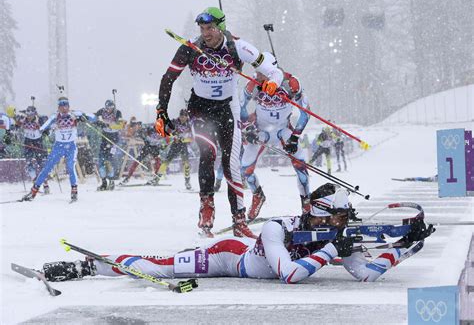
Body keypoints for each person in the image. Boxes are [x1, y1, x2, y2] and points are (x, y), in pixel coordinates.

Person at [39, 183, 435, 284]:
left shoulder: (333, 235)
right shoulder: (279, 228)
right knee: (160, 268)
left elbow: (366, 273)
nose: (341, 227)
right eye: (336, 219)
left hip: (254, 257)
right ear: (317, 214)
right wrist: (332, 248)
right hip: (228, 256)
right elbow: (290, 275)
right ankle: (89, 267)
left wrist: (405, 247)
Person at [154, 7, 283, 238]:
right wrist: (161, 111)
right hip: (200, 108)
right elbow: (168, 78)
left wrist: (272, 83)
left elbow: (274, 71)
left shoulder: (239, 47)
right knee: (208, 152)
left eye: (210, 28)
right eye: (202, 29)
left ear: (220, 27)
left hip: (227, 108)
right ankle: (206, 209)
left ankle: (239, 220)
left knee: (231, 163)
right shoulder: (190, 49)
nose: (206, 34)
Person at [240, 69, 311, 220]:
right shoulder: (254, 82)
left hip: (283, 131)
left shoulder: (290, 82)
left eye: (262, 72)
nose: (259, 75)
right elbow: (240, 108)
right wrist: (248, 129)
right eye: (258, 72)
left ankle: (306, 203)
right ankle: (257, 195)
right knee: (246, 169)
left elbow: (306, 112)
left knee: (301, 166)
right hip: (262, 132)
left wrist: (294, 137)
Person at [21, 97, 95, 203]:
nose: (64, 108)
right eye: (61, 106)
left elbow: (93, 117)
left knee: (70, 167)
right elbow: (43, 127)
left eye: (66, 106)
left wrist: (83, 117)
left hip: (71, 147)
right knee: (46, 168)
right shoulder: (55, 117)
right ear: (58, 107)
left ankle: (74, 192)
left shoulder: (75, 114)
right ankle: (33, 191)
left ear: (69, 106)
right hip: (58, 147)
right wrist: (47, 129)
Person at [148, 109, 193, 189]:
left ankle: (187, 182)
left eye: (184, 117)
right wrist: (173, 136)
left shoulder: (189, 124)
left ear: (187, 117)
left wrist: (183, 139)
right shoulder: (174, 122)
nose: (182, 118)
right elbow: (167, 132)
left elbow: (192, 138)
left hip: (183, 145)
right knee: (166, 162)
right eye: (181, 116)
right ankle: (157, 178)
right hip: (175, 145)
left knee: (186, 164)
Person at [16, 106, 50, 192]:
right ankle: (35, 183)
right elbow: (16, 125)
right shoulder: (23, 119)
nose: (29, 116)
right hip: (27, 142)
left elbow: (47, 128)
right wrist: (14, 130)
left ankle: (45, 184)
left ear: (34, 114)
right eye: (27, 114)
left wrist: (46, 131)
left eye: (31, 114)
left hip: (38, 142)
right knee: (29, 163)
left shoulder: (39, 120)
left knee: (41, 163)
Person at [95, 100, 125, 191]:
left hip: (114, 139)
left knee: (109, 160)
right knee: (101, 160)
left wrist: (111, 125)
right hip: (105, 137)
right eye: (108, 108)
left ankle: (111, 182)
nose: (109, 110)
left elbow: (120, 126)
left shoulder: (117, 113)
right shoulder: (101, 112)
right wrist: (98, 122)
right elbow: (95, 119)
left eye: (111, 108)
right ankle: (104, 182)